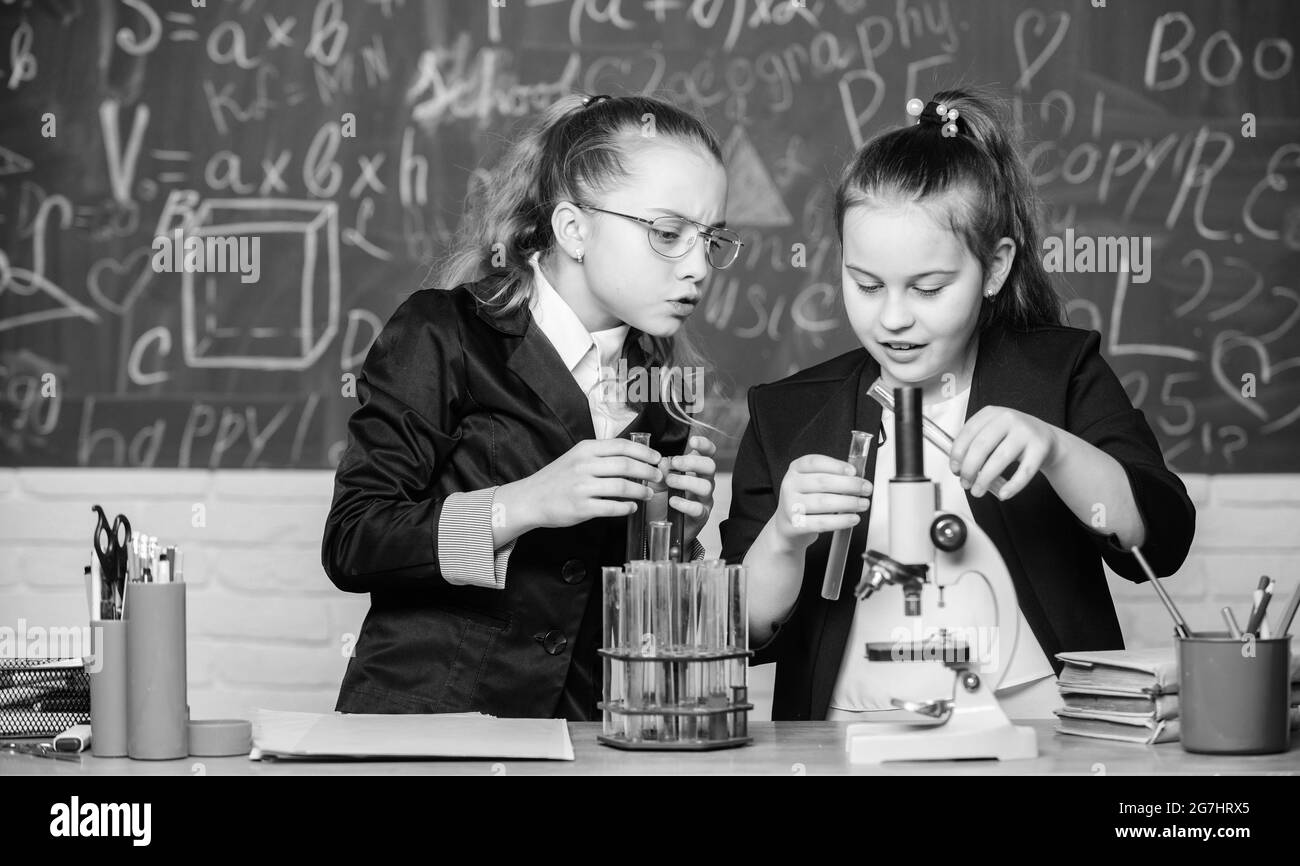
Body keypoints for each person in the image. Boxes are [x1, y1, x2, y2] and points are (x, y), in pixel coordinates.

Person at [720, 89, 1196, 722]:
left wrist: (1058, 451)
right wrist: (782, 536)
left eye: (929, 287)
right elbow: (737, 631)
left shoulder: (1058, 375)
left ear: (994, 269)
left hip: (1041, 734)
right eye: (866, 284)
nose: (893, 318)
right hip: (846, 746)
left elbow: (1161, 543)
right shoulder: (789, 414)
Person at [322, 94, 737, 719]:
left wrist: (674, 538)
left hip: (589, 739)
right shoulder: (445, 332)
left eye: (711, 239)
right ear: (574, 229)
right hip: (430, 732)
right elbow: (354, 542)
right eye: (668, 233)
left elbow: (632, 618)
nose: (700, 266)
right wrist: (528, 501)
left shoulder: (658, 388)